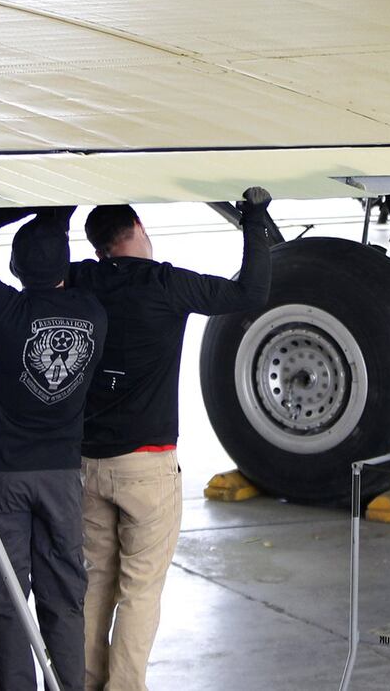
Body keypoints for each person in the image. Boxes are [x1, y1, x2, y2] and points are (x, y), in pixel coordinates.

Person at [69, 189, 274, 691]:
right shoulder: (167, 284)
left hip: (86, 460)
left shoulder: (81, 279)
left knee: (94, 580)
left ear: (98, 246)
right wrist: (254, 219)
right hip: (147, 464)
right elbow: (249, 293)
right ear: (138, 226)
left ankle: (83, 683)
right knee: (139, 589)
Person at [0, 206, 107, 691]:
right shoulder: (93, 314)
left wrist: (16, 207)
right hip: (61, 477)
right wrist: (58, 211)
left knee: (5, 598)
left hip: (1, 475)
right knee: (64, 597)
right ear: (66, 267)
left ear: (14, 269)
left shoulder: (5, 312)